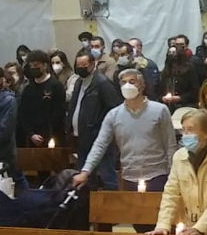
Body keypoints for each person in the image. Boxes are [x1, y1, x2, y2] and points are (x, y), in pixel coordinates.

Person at [74, 69, 177, 206]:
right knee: (133, 215)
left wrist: (174, 175)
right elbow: (100, 145)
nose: (127, 85)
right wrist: (85, 171)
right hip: (129, 176)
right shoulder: (114, 115)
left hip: (157, 174)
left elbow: (170, 145)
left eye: (132, 81)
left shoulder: (160, 110)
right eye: (123, 82)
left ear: (142, 85)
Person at [67, 49, 121, 190]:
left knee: (107, 174)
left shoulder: (102, 83)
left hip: (98, 136)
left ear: (93, 64)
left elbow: (114, 108)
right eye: (78, 65)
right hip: (81, 137)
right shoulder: (79, 82)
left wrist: (102, 129)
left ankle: (112, 200)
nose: (81, 68)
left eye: (84, 65)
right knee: (84, 174)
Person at [16, 50, 66, 147]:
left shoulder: (56, 86)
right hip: (33, 138)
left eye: (36, 65)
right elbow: (23, 113)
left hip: (53, 136)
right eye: (31, 66)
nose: (33, 68)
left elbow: (58, 113)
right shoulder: (28, 89)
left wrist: (45, 134)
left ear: (45, 66)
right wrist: (31, 134)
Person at [160, 43, 200, 113]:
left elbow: (195, 91)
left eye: (173, 52)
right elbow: (159, 89)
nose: (171, 55)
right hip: (168, 107)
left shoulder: (189, 69)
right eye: (169, 52)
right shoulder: (166, 71)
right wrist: (162, 98)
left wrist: (180, 98)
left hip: (185, 106)